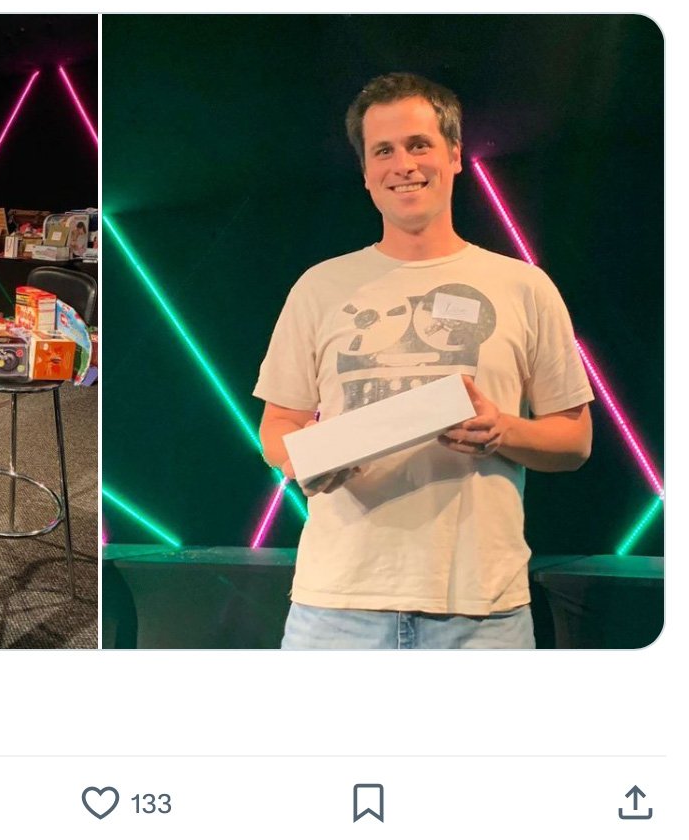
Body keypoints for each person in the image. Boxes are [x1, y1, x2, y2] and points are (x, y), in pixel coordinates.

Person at [254, 73, 593, 649]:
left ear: (455, 155)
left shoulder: (523, 286)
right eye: (383, 150)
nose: (403, 164)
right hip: (336, 608)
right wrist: (304, 458)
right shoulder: (319, 287)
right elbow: (278, 425)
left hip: (482, 612)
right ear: (365, 171)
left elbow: (575, 440)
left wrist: (503, 429)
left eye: (419, 145)